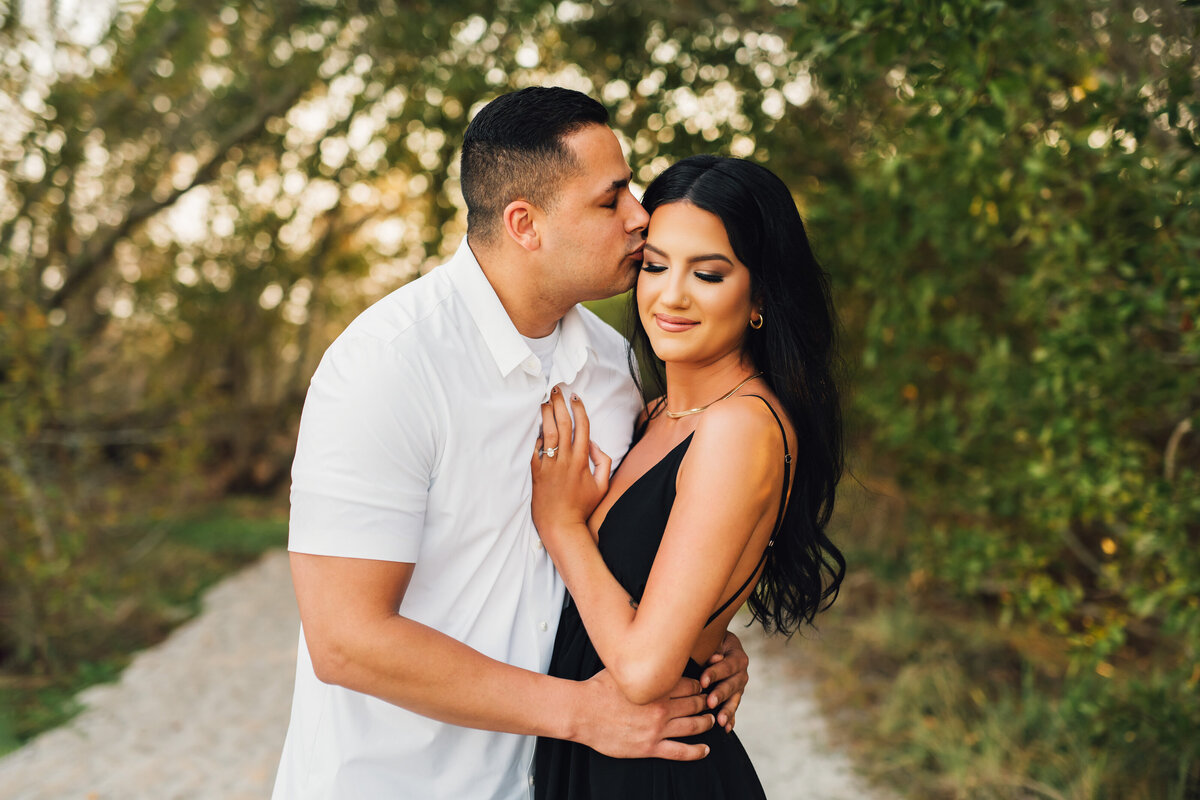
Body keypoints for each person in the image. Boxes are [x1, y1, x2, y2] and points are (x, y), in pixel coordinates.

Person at [271, 89, 751, 800]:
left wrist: (703, 642)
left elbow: (632, 561)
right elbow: (346, 639)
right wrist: (580, 714)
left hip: (551, 783)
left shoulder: (617, 370)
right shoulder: (386, 365)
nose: (639, 217)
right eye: (609, 198)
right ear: (524, 224)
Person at [529, 155, 847, 798]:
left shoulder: (740, 428)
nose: (671, 295)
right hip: (606, 754)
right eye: (655, 265)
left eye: (707, 273)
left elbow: (645, 670)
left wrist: (563, 524)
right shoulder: (655, 414)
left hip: (653, 771)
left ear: (760, 295)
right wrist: (711, 640)